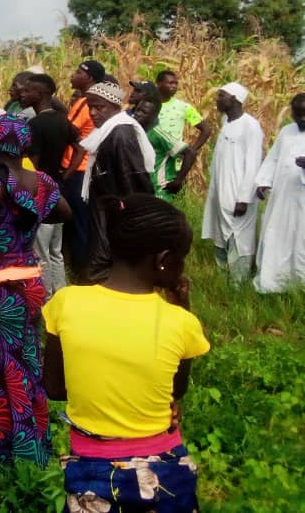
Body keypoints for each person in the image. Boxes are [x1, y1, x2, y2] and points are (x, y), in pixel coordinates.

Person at [43, 195, 209, 513]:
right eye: (181, 258)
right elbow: (175, 391)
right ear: (163, 261)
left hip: (89, 471)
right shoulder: (180, 323)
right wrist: (181, 307)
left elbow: (55, 388)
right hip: (165, 474)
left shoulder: (66, 303)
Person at [0, 114, 70, 472]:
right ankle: (31, 447)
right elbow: (63, 211)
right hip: (28, 283)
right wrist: (28, 218)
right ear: (26, 147)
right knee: (23, 364)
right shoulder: (42, 182)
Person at [81, 82, 156, 283]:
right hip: (106, 210)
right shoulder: (106, 131)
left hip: (117, 215)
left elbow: (132, 179)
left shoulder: (121, 133)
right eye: (90, 107)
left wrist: (132, 218)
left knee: (104, 266)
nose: (93, 113)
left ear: (115, 106)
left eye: (99, 107)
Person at [20, 73, 81, 296]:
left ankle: (45, 300)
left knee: (40, 252)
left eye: (28, 91)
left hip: (40, 194)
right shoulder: (62, 119)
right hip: (58, 188)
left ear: (42, 94)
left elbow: (32, 165)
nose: (22, 94)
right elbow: (81, 147)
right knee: (56, 250)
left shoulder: (35, 124)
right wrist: (66, 174)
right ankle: (61, 294)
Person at [198, 83, 264, 284]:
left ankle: (239, 281)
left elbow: (253, 163)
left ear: (234, 99)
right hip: (221, 190)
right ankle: (223, 276)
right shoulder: (226, 121)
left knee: (239, 235)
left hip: (238, 193)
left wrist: (244, 197)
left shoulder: (250, 125)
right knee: (221, 232)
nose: (217, 100)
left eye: (221, 96)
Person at [252, 93, 305, 293]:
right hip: (283, 199)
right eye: (298, 114)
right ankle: (273, 284)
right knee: (277, 236)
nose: (302, 119)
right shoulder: (286, 132)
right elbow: (273, 159)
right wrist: (263, 182)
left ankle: (300, 286)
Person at [60, 60, 104, 279]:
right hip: (77, 168)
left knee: (79, 224)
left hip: (78, 169)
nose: (73, 75)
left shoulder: (87, 103)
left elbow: (69, 131)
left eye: (78, 72)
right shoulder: (83, 101)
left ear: (89, 78)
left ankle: (82, 273)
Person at [132, 98, 198, 201]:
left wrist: (178, 181)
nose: (138, 114)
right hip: (142, 189)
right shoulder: (133, 131)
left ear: (153, 117)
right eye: (137, 110)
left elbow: (190, 152)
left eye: (144, 112)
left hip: (159, 190)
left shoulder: (157, 133)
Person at [155, 70, 212, 153]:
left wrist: (193, 149)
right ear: (158, 84)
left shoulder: (183, 107)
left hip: (172, 160)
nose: (174, 86)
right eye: (170, 83)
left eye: (176, 83)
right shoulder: (146, 105)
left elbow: (206, 129)